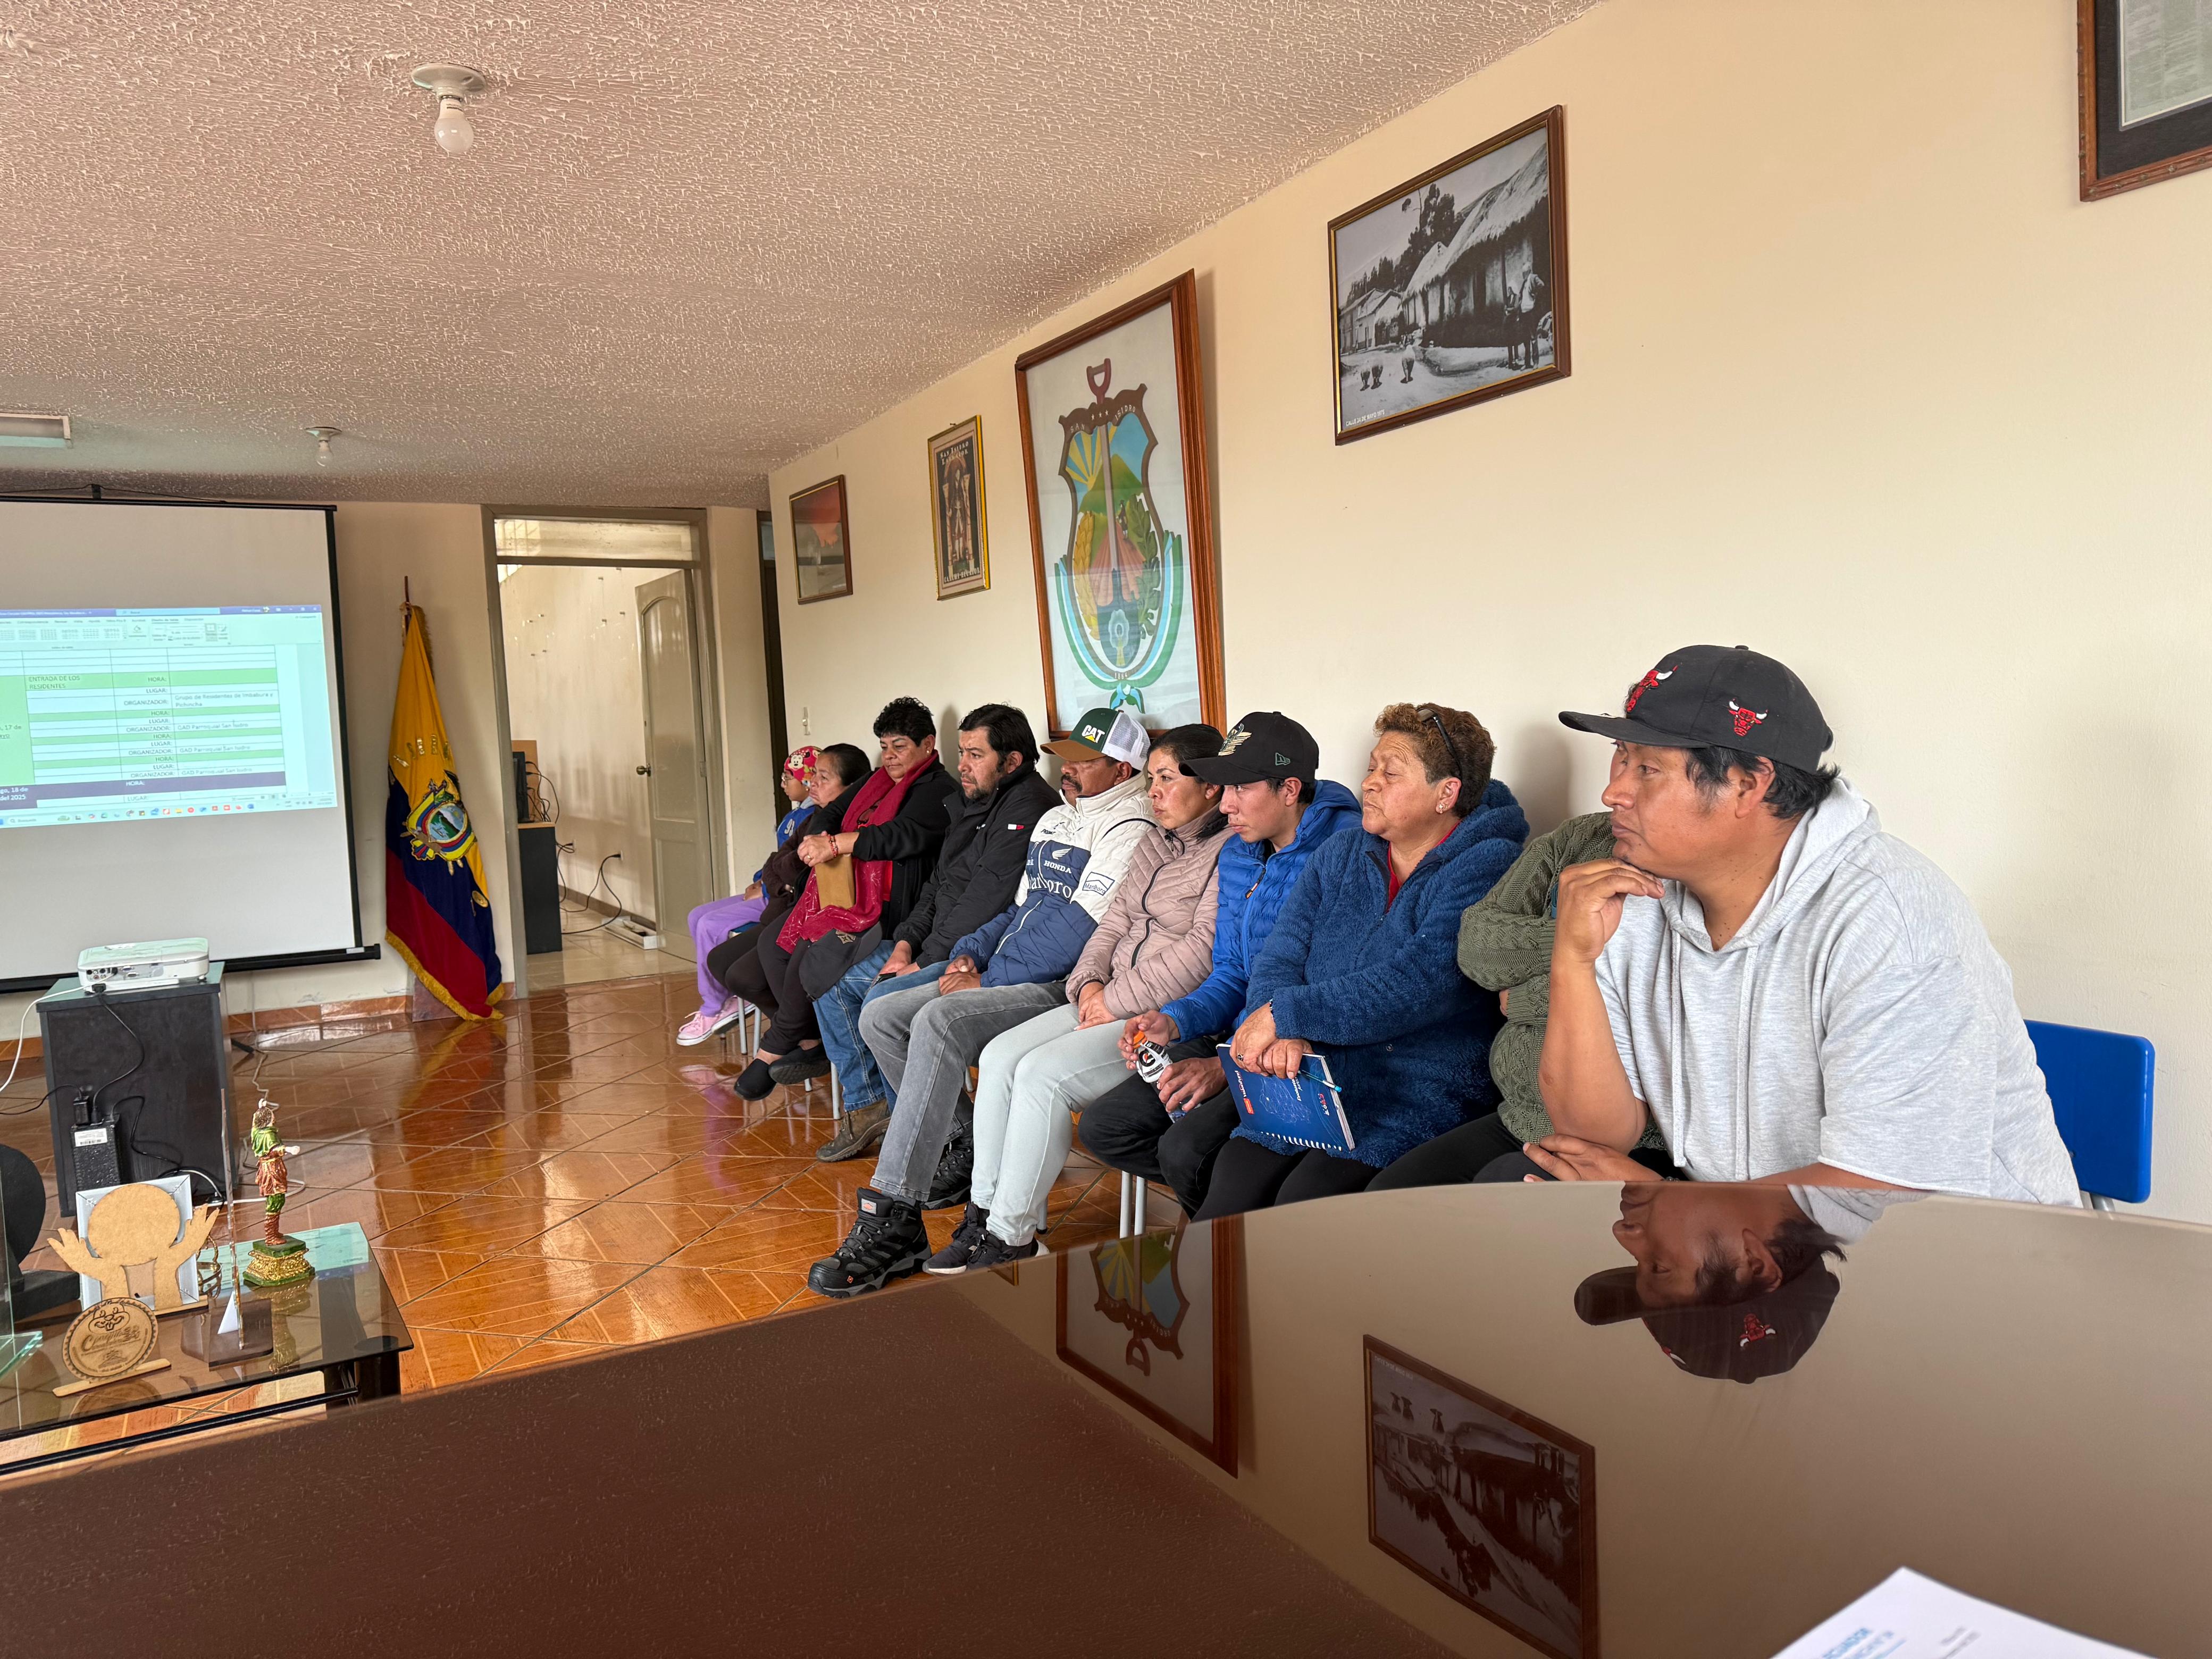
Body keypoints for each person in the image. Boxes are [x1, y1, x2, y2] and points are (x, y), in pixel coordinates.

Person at [1527, 644, 2079, 1203]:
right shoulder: (1638, 893)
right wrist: (1572, 961)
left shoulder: (1890, 919)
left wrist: (1670, 1205)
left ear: (1748, 785)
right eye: (1621, 757)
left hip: (1969, 1244)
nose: (1613, 792)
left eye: (1647, 769)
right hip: (1755, 1233)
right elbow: (1593, 1140)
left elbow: (1890, 1194)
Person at [807, 706, 1157, 1296]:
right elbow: (1018, 911)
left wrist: (988, 980)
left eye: (1083, 762)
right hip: (1000, 968)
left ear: (1123, 770)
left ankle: (894, 1211)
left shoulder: (1131, 828)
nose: (1067, 771)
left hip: (1056, 983)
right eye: (1065, 759)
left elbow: (1077, 933)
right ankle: (963, 1139)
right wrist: (970, 953)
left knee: (939, 1020)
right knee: (882, 1013)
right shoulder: (1058, 818)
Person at [1194, 703, 1529, 1220]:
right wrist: (1279, 1028)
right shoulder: (1343, 851)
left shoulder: (1489, 864)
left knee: (1305, 1203)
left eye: (1390, 773)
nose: (1369, 783)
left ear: (1446, 794)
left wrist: (1287, 1015)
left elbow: (1420, 981)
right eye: (1372, 767)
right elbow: (1282, 953)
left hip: (1413, 1083)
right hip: (1314, 1064)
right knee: (1232, 1184)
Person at [926, 724, 1230, 1274]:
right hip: (1103, 998)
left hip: (1158, 1017)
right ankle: (984, 1213)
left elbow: (1200, 953)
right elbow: (1111, 923)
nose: (1154, 792)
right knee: (998, 1057)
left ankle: (1013, 1237)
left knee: (1040, 1076)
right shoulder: (1155, 841)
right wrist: (1088, 983)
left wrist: (1113, 999)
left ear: (1210, 786)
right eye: (1151, 778)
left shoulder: (1228, 850)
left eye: (1166, 778)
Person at [1076, 711, 1361, 1216]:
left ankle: (1233, 1229)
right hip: (1230, 1034)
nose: (1225, 804)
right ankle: (1229, 1215)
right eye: (1224, 788)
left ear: (1290, 789)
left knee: (1185, 1151)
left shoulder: (1345, 853)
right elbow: (1230, 971)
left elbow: (1327, 990)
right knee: (1107, 1127)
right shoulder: (1239, 854)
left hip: (1293, 1046)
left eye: (1240, 788)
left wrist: (1223, 1070)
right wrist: (1173, 1020)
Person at [809, 703, 1061, 1162]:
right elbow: (938, 885)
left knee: (880, 1002)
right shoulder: (976, 800)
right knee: (831, 980)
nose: (962, 765)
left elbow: (985, 904)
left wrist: (923, 960)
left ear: (1011, 762)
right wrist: (906, 943)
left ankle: (945, 1132)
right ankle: (877, 1107)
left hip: (972, 954)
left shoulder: (1028, 808)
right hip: (932, 943)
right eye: (961, 752)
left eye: (975, 755)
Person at [1368, 810, 1672, 1188]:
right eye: (1617, 770)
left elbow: (1640, 1002)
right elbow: (1476, 948)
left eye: (1646, 774)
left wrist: (1525, 998)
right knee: (1388, 1195)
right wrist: (1571, 938)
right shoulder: (1581, 835)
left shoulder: (1673, 875)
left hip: (1625, 1140)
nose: (1615, 792)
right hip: (1520, 1113)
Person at [727, 697, 957, 1099]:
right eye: (884, 747)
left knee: (811, 955)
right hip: (840, 895)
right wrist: (820, 836)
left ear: (928, 744)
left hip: (889, 911)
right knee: (773, 946)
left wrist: (838, 844)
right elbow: (832, 812)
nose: (889, 756)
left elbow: (900, 837)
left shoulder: (939, 789)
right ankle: (810, 1038)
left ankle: (775, 1048)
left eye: (900, 746)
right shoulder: (877, 780)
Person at [706, 743, 869, 1086]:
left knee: (747, 973)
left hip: (810, 916)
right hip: (782, 911)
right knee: (720, 961)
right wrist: (785, 878)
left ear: (851, 787)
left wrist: (788, 875)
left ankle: (800, 1040)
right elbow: (775, 865)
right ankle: (808, 1037)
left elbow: (796, 870)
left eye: (823, 778)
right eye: (813, 776)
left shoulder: (846, 826)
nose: (813, 784)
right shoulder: (810, 818)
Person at [677, 746, 818, 1046]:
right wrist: (761, 879)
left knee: (709, 926)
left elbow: (792, 869)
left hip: (775, 899)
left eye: (788, 777)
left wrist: (769, 884)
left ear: (807, 781)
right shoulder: (794, 815)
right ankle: (727, 998)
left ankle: (714, 1007)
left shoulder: (815, 818)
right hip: (767, 888)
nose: (783, 783)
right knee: (696, 916)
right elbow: (776, 859)